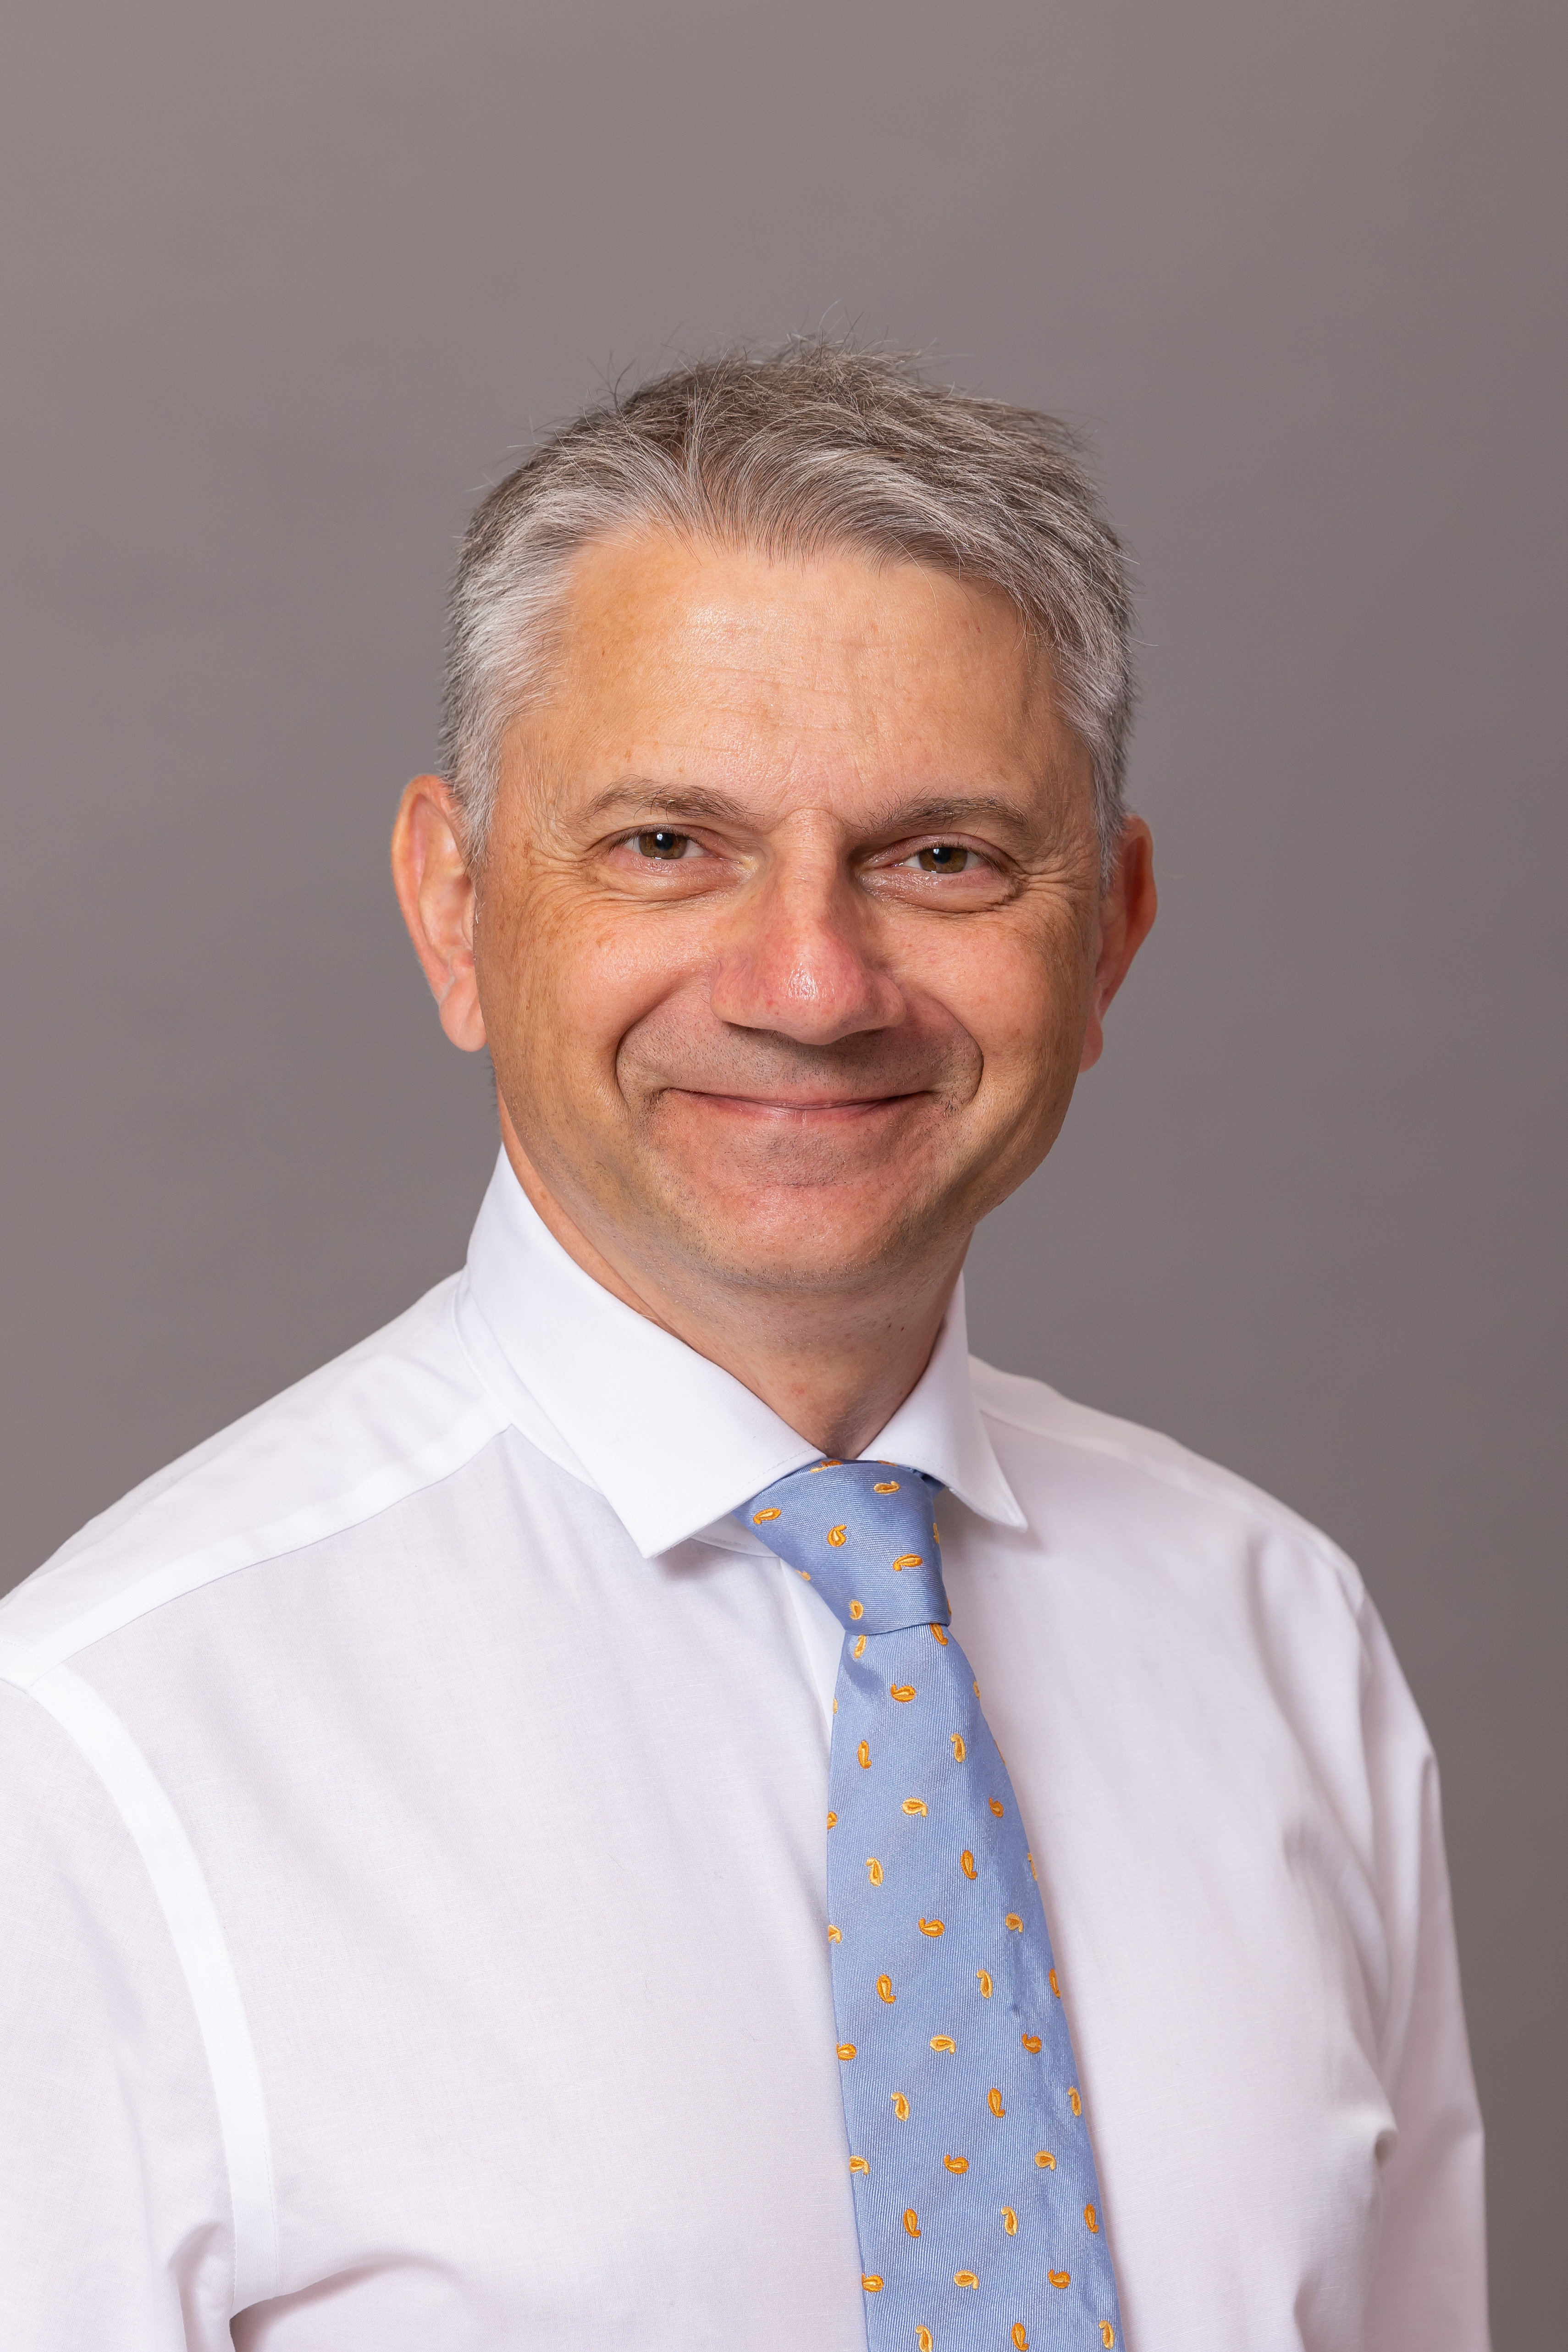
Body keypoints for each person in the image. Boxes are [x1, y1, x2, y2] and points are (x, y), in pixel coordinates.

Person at [0, 342, 1487, 2352]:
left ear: (1111, 932)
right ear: (454, 906)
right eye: (665, 844)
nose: (811, 983)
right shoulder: (99, 1756)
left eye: (942, 856)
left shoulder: (1279, 1633)